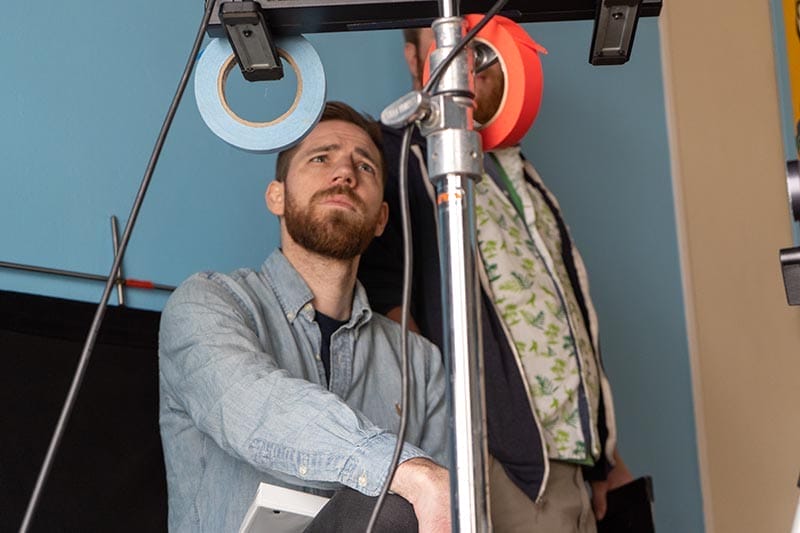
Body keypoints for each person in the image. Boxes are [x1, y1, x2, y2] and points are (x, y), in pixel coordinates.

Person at [358, 28, 633, 532]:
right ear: (413, 55)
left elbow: (563, 314)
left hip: (575, 462)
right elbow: (385, 300)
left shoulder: (518, 169)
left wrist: (605, 453)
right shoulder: (395, 153)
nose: (472, 59)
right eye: (453, 41)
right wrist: (449, 434)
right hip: (496, 459)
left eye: (484, 43)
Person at [159, 101, 451, 532]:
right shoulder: (205, 304)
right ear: (276, 195)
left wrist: (427, 485)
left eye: (365, 167)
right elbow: (251, 406)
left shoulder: (420, 363)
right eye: (321, 158)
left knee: (405, 508)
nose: (345, 174)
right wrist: (410, 471)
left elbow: (441, 509)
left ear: (381, 219)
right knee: (402, 493)